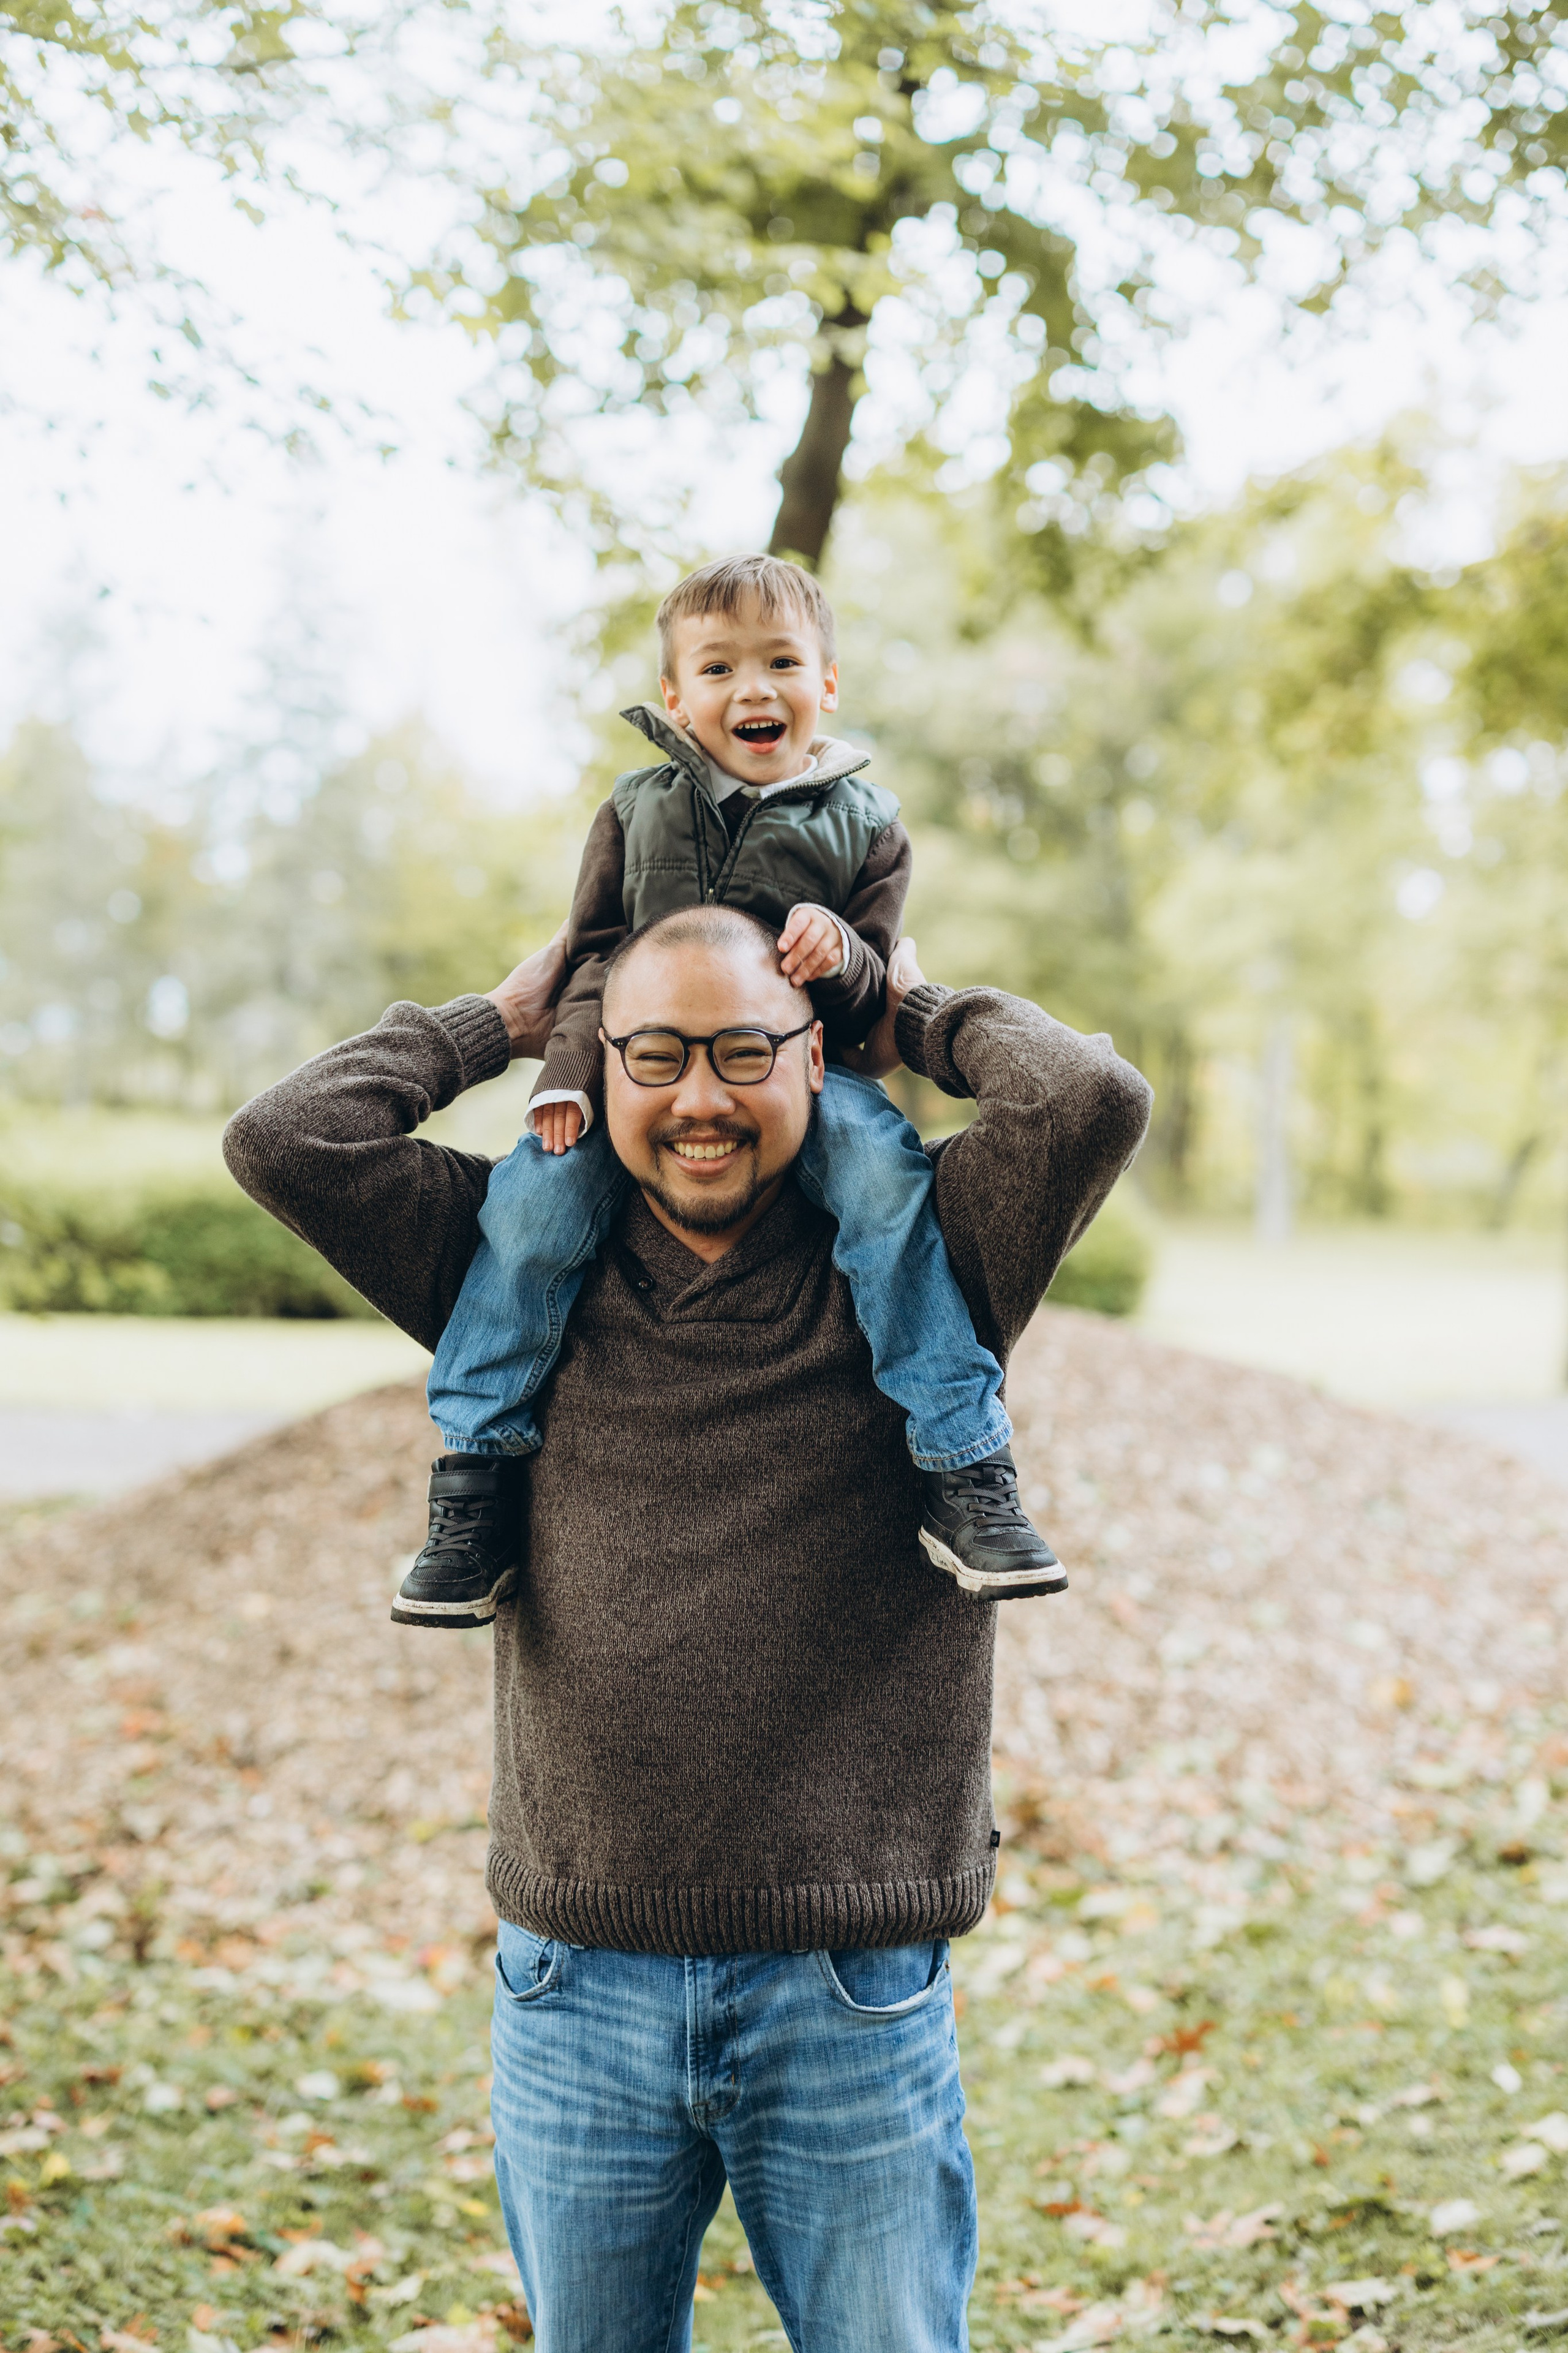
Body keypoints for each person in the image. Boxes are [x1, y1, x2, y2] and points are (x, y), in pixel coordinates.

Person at [223, 906, 1151, 2351]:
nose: (699, 1097)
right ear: (599, 1064)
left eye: (742, 1051)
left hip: (847, 1989)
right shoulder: (504, 1262)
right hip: (574, 1978)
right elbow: (285, 1140)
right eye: (653, 1055)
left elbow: (1088, 1096)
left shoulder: (932, 1256)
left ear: (811, 1059)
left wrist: (909, 1010)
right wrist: (493, 1023)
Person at [404, 551, 1063, 1629]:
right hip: (642, 1080)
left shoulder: (870, 824)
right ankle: (476, 1479)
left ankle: (962, 1462)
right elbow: (593, 959)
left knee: (886, 1184)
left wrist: (840, 952)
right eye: (718, 668)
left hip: (802, 1079)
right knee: (529, 1206)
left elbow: (874, 998)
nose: (752, 687)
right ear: (676, 697)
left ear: (827, 684)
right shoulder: (635, 812)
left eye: (781, 662)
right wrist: (566, 1077)